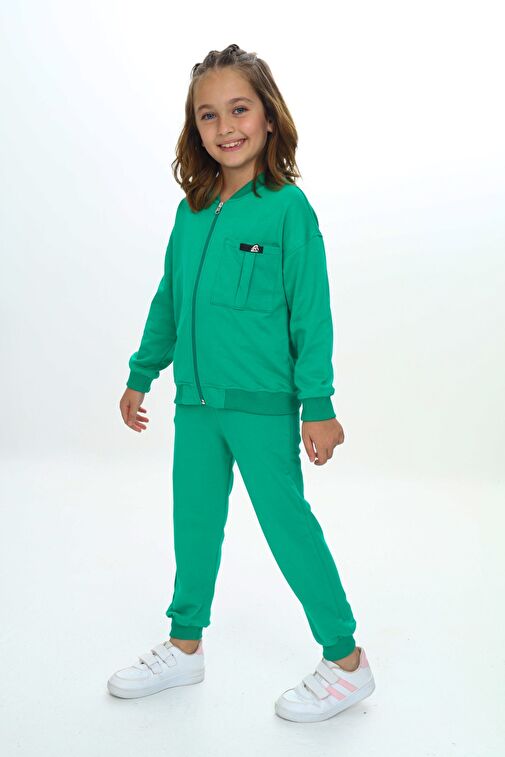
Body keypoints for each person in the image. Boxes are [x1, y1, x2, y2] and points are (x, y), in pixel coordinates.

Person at [107, 43, 375, 722]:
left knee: (287, 527)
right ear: (194, 128)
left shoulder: (287, 210)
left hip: (262, 406)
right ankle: (185, 644)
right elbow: (170, 300)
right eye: (208, 115)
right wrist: (142, 371)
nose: (225, 126)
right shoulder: (192, 210)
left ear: (268, 117)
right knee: (193, 523)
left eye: (239, 109)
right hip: (195, 403)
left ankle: (346, 661)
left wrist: (318, 404)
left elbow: (311, 314)